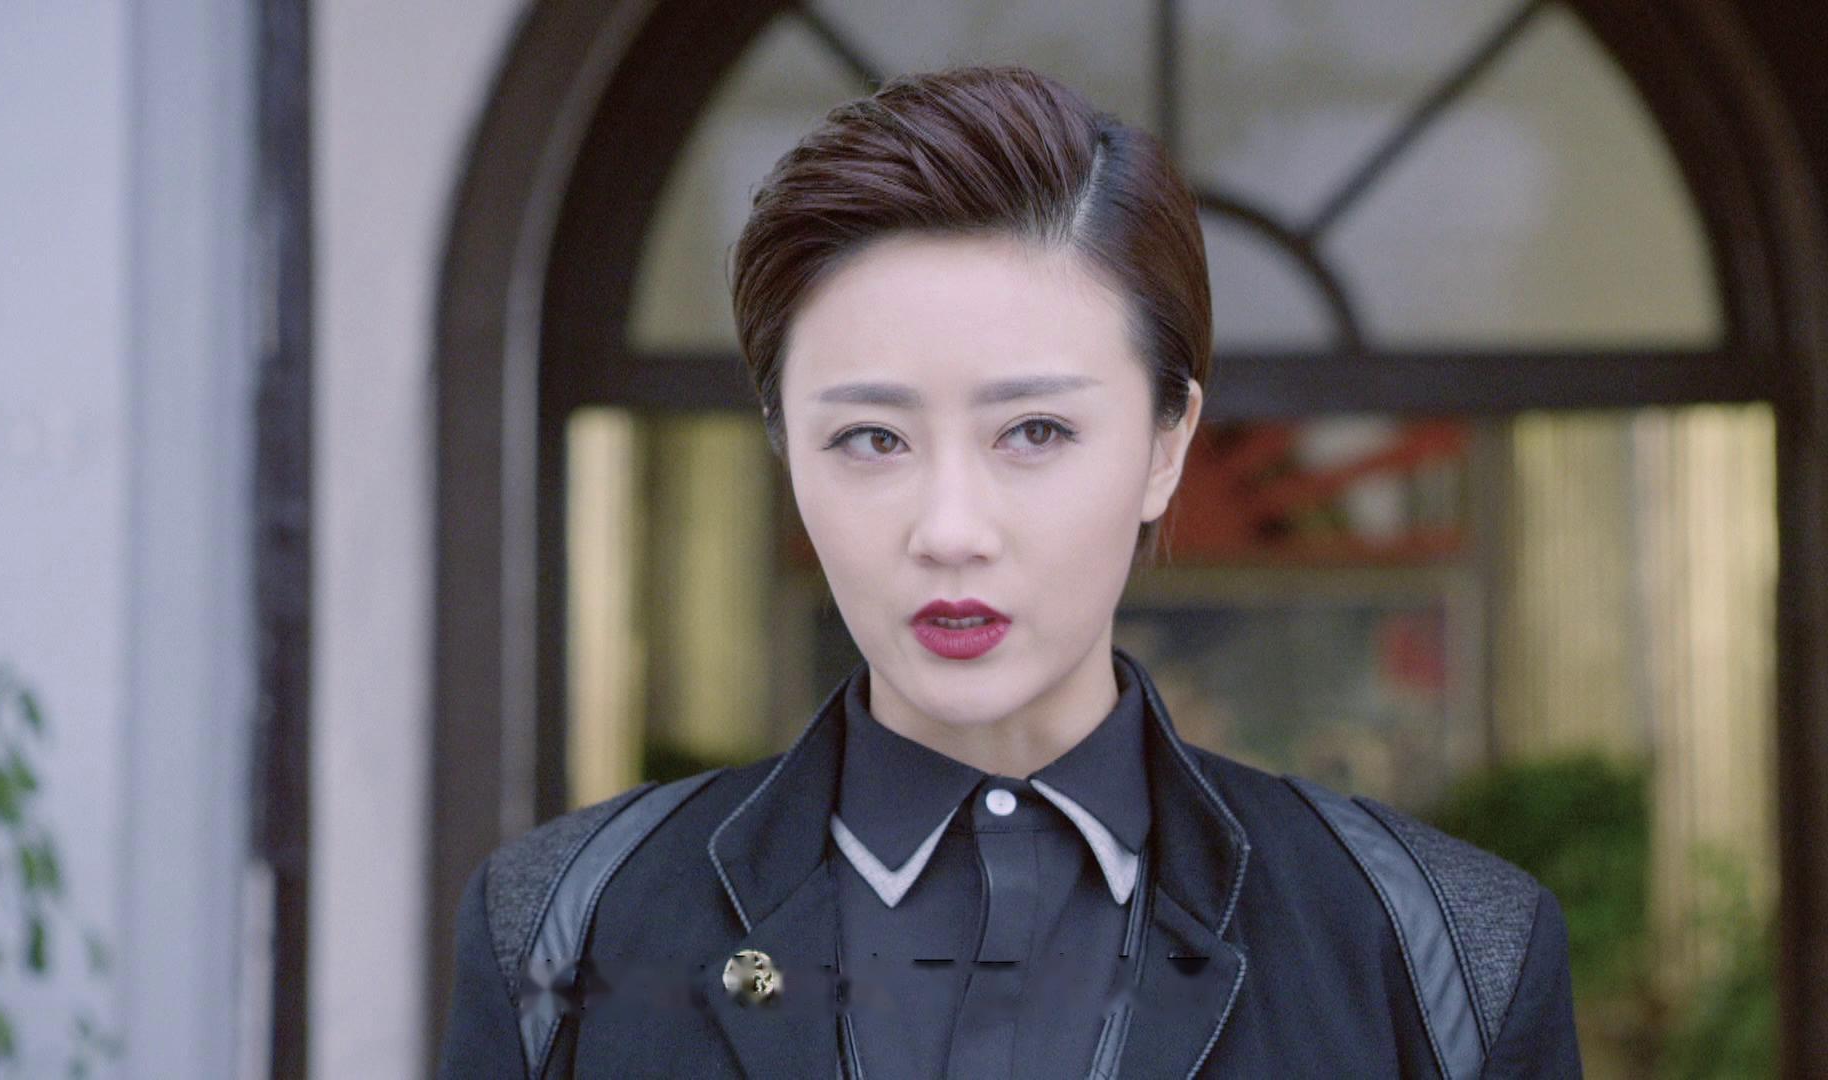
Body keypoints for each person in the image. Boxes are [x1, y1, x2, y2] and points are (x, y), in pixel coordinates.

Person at [437, 64, 1583, 1079]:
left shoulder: (1438, 953)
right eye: (871, 439)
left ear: (1167, 445)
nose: (950, 530)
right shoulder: (568, 931)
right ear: (787, 449)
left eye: (1035, 431)